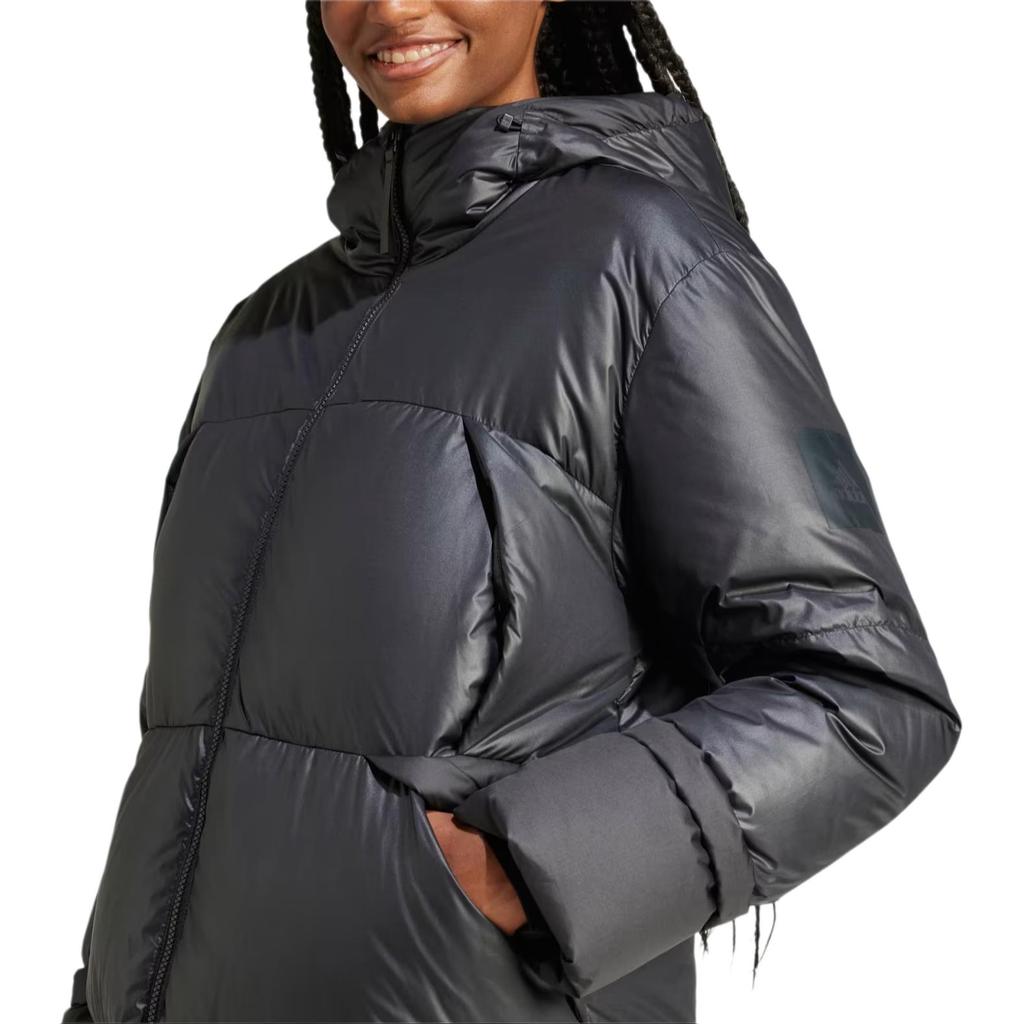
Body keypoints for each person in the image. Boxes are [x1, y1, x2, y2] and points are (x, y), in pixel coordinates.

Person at [61, 2, 963, 1022]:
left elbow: (861, 692)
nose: (389, 7)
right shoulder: (264, 333)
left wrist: (536, 867)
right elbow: (191, 748)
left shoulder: (645, 262)